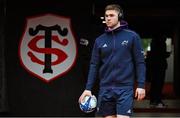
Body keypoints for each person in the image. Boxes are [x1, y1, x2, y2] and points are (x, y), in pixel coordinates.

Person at [79, 4, 146, 118]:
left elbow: (140, 62)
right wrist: (88, 89)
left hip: (125, 88)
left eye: (111, 15)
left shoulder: (132, 36)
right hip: (105, 89)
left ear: (119, 16)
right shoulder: (99, 40)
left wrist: (141, 85)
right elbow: (94, 65)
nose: (108, 18)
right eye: (106, 16)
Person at [148, 34, 171, 108]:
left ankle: (153, 101)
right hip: (160, 66)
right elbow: (161, 54)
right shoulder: (160, 42)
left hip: (154, 66)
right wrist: (167, 54)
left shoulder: (154, 42)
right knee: (159, 84)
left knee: (154, 83)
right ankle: (157, 101)